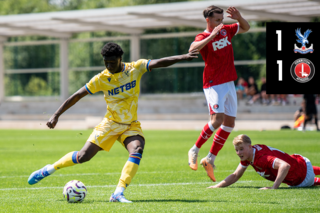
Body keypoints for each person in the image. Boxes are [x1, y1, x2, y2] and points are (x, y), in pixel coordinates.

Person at [27, 42, 199, 203]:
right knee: (83, 156)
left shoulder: (135, 68)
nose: (109, 66)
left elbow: (158, 62)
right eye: (106, 63)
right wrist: (56, 115)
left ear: (120, 59)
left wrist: (182, 57)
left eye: (112, 62)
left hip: (130, 125)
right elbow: (77, 95)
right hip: (110, 123)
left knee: (137, 149)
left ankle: (118, 193)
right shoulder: (101, 78)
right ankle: (49, 169)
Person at [187, 5, 250, 182]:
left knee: (229, 123)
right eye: (217, 20)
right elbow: (192, 49)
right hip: (213, 83)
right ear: (208, 20)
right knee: (217, 120)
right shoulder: (203, 36)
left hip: (229, 82)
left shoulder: (226, 31)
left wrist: (239, 17)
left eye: (222, 20)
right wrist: (212, 36)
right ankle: (195, 149)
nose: (220, 23)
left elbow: (246, 28)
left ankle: (210, 159)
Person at [208, 134, 320, 189]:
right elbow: (235, 175)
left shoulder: (261, 158)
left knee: (311, 180)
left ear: (250, 147)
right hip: (300, 163)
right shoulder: (250, 155)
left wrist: (273, 188)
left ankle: (314, 180)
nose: (238, 153)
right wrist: (217, 186)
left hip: (301, 178)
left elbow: (285, 166)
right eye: (236, 150)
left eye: (241, 149)